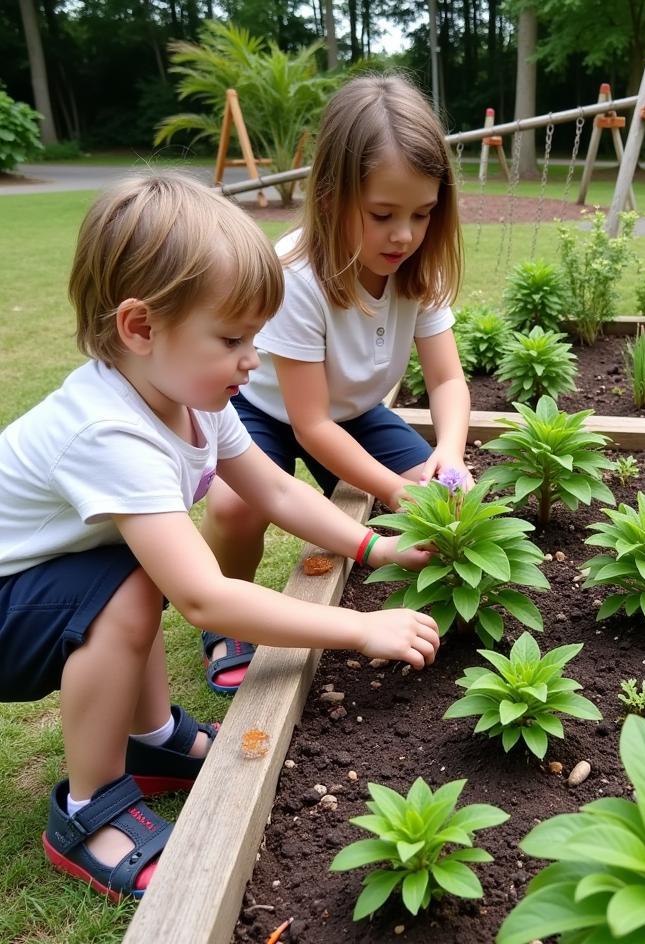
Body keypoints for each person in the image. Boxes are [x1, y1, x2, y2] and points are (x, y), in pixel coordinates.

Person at [0, 172, 440, 901]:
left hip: (32, 585)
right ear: (140, 329)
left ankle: (147, 739)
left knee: (129, 579)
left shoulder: (193, 396)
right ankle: (88, 809)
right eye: (233, 338)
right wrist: (358, 627)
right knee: (127, 594)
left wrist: (376, 549)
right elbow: (203, 598)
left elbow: (270, 486)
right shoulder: (109, 431)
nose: (253, 359)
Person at [201, 73, 472, 695]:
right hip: (266, 412)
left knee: (444, 502)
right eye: (382, 215)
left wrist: (448, 455)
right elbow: (309, 424)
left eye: (422, 214)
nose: (403, 234)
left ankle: (427, 608)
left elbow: (448, 378)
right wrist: (393, 490)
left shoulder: (417, 271)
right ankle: (229, 617)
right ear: (330, 196)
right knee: (235, 505)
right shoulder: (298, 273)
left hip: (353, 410)